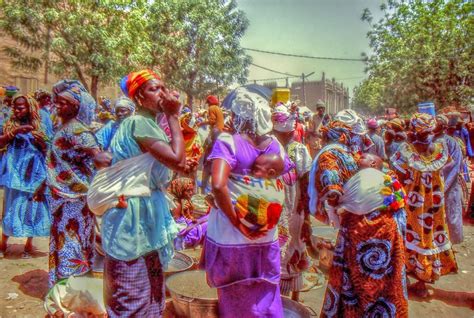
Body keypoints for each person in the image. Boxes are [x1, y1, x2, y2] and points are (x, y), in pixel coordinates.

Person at [100, 69, 185, 317]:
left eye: (162, 87)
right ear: (138, 98)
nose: (161, 93)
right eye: (153, 89)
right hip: (132, 219)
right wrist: (174, 116)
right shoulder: (138, 123)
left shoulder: (148, 124)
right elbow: (177, 162)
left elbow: (167, 165)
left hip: (145, 217)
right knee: (133, 294)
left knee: (152, 293)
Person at [203, 87, 291, 317]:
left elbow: (218, 185)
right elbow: (286, 179)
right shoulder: (277, 147)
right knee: (266, 290)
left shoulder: (228, 142)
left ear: (238, 116)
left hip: (232, 237)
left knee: (236, 293)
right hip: (266, 234)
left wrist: (237, 222)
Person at [308, 119, 408, 317]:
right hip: (360, 233)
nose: (358, 158)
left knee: (374, 280)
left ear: (373, 163)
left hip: (376, 233)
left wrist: (336, 200)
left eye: (363, 158)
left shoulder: (376, 175)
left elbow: (338, 193)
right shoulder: (342, 159)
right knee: (359, 279)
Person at [46, 80, 107, 287]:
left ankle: (72, 288)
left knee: (72, 241)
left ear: (76, 106)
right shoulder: (62, 127)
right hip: (62, 197)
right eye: (57, 103)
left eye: (64, 103)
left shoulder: (79, 131)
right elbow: (55, 160)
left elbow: (98, 157)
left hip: (75, 199)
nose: (58, 106)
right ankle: (65, 287)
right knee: (63, 239)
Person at [390, 113, 457, 298]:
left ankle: (415, 279)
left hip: (413, 205)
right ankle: (424, 280)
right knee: (430, 237)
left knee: (412, 237)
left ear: (413, 129)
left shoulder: (406, 151)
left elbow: (399, 178)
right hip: (435, 205)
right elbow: (447, 167)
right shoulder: (441, 150)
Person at [0, 95, 51, 259]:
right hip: (14, 171)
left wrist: (41, 142)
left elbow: (49, 148)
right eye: (15, 107)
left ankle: (28, 244)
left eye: (20, 108)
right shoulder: (9, 124)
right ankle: (3, 242)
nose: (16, 110)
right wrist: (13, 133)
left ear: (30, 107)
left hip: (34, 172)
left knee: (31, 207)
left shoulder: (42, 125)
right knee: (11, 205)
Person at [271, 104, 313, 301]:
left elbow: (304, 181)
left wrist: (304, 213)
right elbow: (305, 182)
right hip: (282, 208)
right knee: (284, 249)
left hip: (289, 207)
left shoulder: (297, 150)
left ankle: (290, 302)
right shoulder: (271, 147)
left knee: (292, 248)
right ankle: (284, 301)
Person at [434, 115, 465, 244]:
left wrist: (444, 185)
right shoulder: (430, 140)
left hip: (449, 183)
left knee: (452, 211)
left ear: (442, 126)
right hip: (434, 183)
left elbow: (455, 166)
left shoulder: (452, 142)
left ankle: (454, 240)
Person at [168, 177, 208, 251]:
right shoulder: (177, 205)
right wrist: (196, 224)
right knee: (208, 225)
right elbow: (178, 229)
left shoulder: (181, 201)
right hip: (181, 239)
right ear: (180, 190)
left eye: (192, 190)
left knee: (208, 218)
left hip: (185, 229)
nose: (191, 193)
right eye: (188, 191)